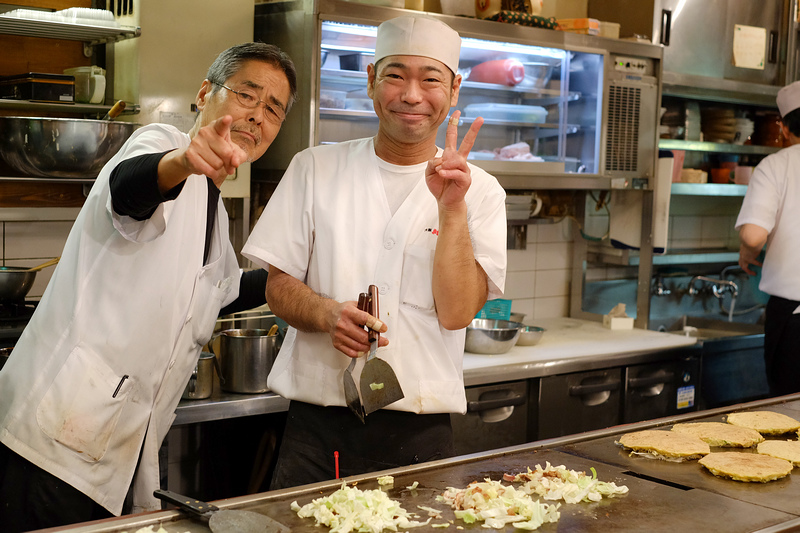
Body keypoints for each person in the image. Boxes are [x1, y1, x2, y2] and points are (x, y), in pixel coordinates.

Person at [0, 42, 297, 531]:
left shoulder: (214, 212)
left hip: (113, 445)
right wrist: (183, 159)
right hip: (52, 441)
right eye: (247, 94)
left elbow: (221, 294)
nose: (257, 116)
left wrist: (299, 274)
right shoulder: (158, 143)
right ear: (205, 93)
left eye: (273, 109)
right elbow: (129, 189)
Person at [242, 14, 507, 489]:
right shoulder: (315, 168)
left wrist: (451, 211)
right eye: (395, 75)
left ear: (454, 89)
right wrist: (326, 314)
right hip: (317, 431)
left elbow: (458, 312)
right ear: (370, 80)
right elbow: (277, 288)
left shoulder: (481, 193)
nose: (411, 95)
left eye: (430, 79)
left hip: (422, 432)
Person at [736, 80, 800, 397]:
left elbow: (753, 234)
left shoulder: (775, 166)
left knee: (789, 421)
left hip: (794, 319)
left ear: (785, 129)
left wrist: (747, 250)